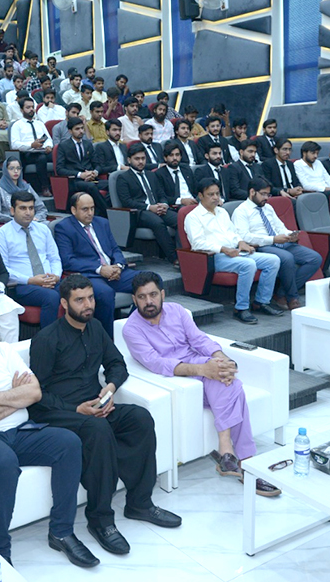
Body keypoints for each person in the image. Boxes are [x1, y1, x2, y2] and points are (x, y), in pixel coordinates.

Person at [28, 275, 181, 555]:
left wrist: (109, 390)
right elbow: (36, 397)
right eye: (80, 300)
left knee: (139, 418)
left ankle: (139, 503)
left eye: (90, 298)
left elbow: (116, 365)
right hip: (62, 414)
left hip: (98, 407)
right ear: (64, 303)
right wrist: (77, 409)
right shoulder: (46, 340)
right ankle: (100, 520)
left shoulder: (96, 327)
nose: (88, 305)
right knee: (97, 431)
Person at [0, 302, 98, 567]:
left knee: (69, 442)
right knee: (4, 462)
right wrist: (14, 398)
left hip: (22, 430)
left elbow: (34, 394)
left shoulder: (4, 350)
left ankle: (62, 531)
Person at [122, 272, 282, 496]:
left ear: (162, 294)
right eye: (142, 297)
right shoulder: (131, 329)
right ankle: (245, 462)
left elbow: (199, 339)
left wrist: (221, 359)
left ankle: (229, 455)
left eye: (153, 295)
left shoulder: (177, 311)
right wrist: (203, 369)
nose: (149, 302)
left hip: (200, 366)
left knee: (228, 381)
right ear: (134, 299)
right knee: (232, 386)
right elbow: (156, 363)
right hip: (179, 379)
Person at [185, 178, 283, 324]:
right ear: (200, 196)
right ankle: (241, 308)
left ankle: (261, 302)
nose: (215, 197)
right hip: (214, 257)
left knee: (273, 260)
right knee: (248, 265)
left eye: (217, 194)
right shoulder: (193, 217)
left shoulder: (222, 212)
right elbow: (197, 243)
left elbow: (233, 232)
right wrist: (223, 249)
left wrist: (241, 242)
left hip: (234, 252)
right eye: (211, 194)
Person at [55, 192, 138, 336]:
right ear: (74, 210)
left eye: (92, 208)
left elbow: (115, 249)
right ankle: (106, 339)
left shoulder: (102, 223)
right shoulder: (64, 228)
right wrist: (99, 269)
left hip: (114, 272)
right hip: (90, 275)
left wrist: (118, 266)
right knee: (105, 294)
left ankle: (131, 329)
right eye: (85, 209)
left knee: (150, 281)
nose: (90, 213)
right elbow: (68, 260)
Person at [233, 178, 322, 310]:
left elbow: (279, 227)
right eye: (263, 194)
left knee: (315, 258)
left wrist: (290, 234)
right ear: (252, 192)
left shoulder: (268, 208)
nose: (266, 198)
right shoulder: (241, 211)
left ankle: (281, 293)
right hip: (261, 246)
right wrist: (273, 240)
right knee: (287, 258)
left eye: (268, 194)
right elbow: (245, 237)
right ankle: (292, 297)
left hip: (280, 242)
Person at [0, 191, 62, 327]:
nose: (28, 212)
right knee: (51, 297)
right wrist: (31, 280)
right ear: (12, 211)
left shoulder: (43, 229)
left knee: (79, 289)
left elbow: (54, 258)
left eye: (31, 208)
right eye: (23, 208)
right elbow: (4, 270)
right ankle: (48, 343)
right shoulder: (2, 234)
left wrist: (56, 276)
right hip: (21, 285)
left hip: (50, 280)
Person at [116, 143, 179, 264]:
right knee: (158, 222)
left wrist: (164, 205)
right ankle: (174, 257)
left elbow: (161, 194)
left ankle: (185, 252)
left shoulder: (152, 174)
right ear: (129, 160)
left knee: (180, 219)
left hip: (158, 208)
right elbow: (127, 201)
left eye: (143, 158)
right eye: (137, 159)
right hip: (140, 212)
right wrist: (150, 207)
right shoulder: (123, 178)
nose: (140, 162)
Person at [56, 117, 109, 217]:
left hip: (92, 178)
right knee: (91, 187)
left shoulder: (88, 144)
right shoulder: (63, 146)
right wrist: (81, 175)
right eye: (77, 129)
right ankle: (107, 213)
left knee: (113, 184)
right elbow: (59, 169)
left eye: (82, 128)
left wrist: (95, 172)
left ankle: (99, 212)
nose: (81, 131)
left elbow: (98, 164)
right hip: (75, 181)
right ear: (70, 131)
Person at [9, 97, 53, 196]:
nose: (31, 109)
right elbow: (14, 144)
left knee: (58, 155)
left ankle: (59, 186)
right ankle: (45, 187)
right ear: (21, 110)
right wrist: (31, 145)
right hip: (27, 153)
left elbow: (49, 138)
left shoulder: (40, 124)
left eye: (32, 107)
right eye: (28, 107)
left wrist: (49, 146)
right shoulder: (17, 125)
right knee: (41, 158)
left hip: (43, 150)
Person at [0, 157, 48, 224]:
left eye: (18, 168)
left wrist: (36, 218)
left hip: (32, 222)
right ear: (5, 170)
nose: (16, 171)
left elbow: (42, 209)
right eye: (12, 168)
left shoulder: (27, 187)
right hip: (10, 224)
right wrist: (16, 220)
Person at [152, 140, 198, 209]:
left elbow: (196, 188)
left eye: (177, 155)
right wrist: (181, 201)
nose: (175, 158)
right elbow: (162, 196)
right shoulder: (159, 174)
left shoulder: (186, 169)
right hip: (177, 206)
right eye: (171, 155)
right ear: (165, 158)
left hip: (194, 202)